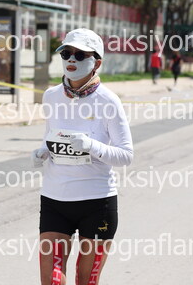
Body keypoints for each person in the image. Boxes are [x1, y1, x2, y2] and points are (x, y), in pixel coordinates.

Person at [32, 28, 133, 285]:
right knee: (51, 281)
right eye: (66, 53)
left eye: (80, 55)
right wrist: (43, 150)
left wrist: (91, 146)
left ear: (96, 63)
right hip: (55, 199)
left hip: (97, 203)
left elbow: (125, 155)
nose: (71, 59)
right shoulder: (51, 96)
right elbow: (51, 135)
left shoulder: (108, 101)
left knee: (86, 281)